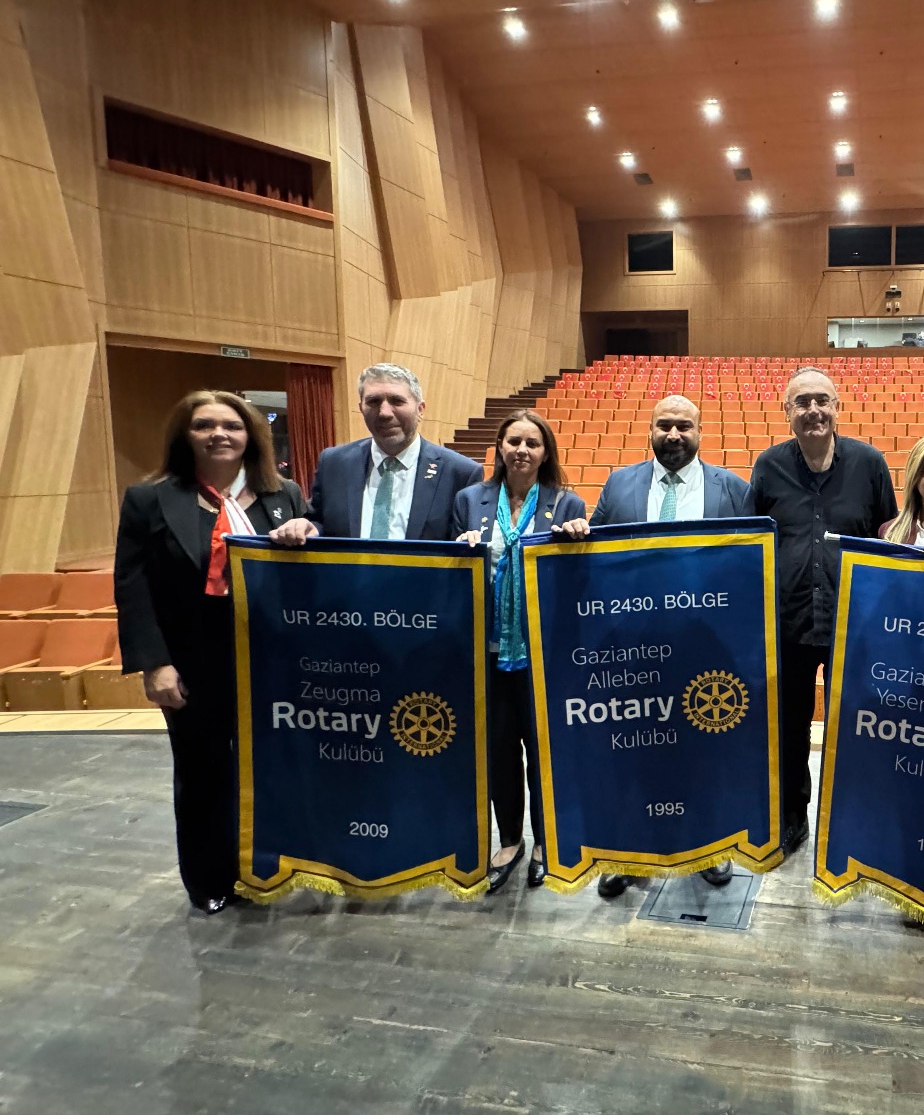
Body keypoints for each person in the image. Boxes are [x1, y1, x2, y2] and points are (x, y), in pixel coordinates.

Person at [114, 391, 308, 914]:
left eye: (232, 425)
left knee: (271, 768)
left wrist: (306, 531)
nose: (219, 434)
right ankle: (210, 878)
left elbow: (308, 574)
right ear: (186, 434)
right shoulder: (149, 499)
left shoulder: (283, 496)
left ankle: (266, 865)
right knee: (202, 772)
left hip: (272, 663)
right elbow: (133, 588)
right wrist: (155, 664)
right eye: (204, 425)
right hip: (192, 664)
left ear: (250, 436)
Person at [563, 394, 756, 898]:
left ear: (700, 432)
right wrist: (579, 533)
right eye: (664, 425)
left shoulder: (733, 490)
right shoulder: (619, 483)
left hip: (704, 646)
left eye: (684, 426)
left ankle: (711, 845)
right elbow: (598, 554)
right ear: (650, 430)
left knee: (704, 750)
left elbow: (746, 573)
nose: (674, 435)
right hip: (632, 647)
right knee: (630, 752)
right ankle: (625, 850)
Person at [751, 367, 898, 855]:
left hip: (853, 625)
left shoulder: (870, 463)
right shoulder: (768, 466)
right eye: (802, 402)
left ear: (837, 407)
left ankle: (851, 824)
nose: (813, 410)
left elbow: (886, 538)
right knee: (789, 730)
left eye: (822, 400)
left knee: (854, 727)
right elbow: (752, 538)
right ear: (786, 412)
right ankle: (793, 818)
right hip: (788, 623)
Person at [451, 409, 586, 894]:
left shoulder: (566, 503)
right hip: (486, 650)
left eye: (532, 443)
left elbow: (576, 580)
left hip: (542, 654)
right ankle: (510, 840)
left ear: (546, 452)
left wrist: (578, 541)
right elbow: (449, 569)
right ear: (499, 448)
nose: (522, 451)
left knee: (543, 752)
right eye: (513, 441)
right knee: (499, 751)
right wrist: (461, 546)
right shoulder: (470, 500)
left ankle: (547, 842)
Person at [269, 363, 481, 545]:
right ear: (361, 407)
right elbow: (320, 522)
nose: (384, 413)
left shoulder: (460, 473)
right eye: (373, 401)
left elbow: (465, 546)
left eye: (397, 401)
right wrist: (308, 527)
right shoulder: (334, 463)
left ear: (420, 409)